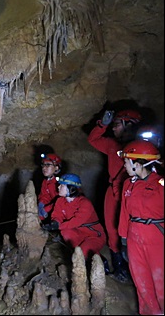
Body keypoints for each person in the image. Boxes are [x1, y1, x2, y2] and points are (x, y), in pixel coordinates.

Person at [88, 108, 142, 282]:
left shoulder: (142, 147)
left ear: (129, 125)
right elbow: (93, 139)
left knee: (133, 230)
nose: (113, 128)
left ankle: (136, 269)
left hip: (134, 193)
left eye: (117, 124)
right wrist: (102, 124)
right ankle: (119, 267)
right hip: (113, 192)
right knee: (112, 228)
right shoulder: (112, 145)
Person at [117, 140, 164, 315]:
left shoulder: (161, 184)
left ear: (137, 164)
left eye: (126, 162)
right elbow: (123, 213)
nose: (124, 166)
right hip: (134, 236)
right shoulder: (128, 184)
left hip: (157, 237)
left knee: (161, 281)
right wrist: (123, 240)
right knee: (141, 282)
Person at [42, 173, 107, 262]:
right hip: (78, 233)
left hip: (94, 235)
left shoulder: (85, 203)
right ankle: (84, 255)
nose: (58, 187)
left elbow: (76, 221)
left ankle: (99, 262)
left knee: (83, 253)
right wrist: (54, 223)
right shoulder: (60, 201)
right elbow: (57, 215)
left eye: (62, 185)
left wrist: (58, 226)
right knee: (67, 233)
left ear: (71, 188)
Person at [37, 153, 62, 222]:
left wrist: (46, 209)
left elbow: (63, 202)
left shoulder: (61, 183)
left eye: (48, 165)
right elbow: (44, 195)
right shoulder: (45, 181)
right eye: (43, 165)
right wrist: (41, 204)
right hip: (52, 211)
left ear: (56, 167)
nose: (44, 168)